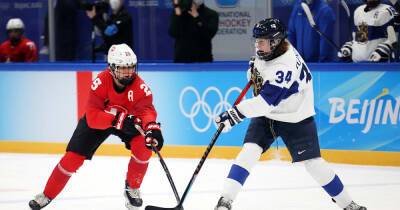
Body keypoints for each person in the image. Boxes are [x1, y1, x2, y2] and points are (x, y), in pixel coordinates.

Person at [214, 18, 367, 210]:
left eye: (261, 41)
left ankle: (349, 204)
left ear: (275, 41)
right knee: (249, 152)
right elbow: (261, 78)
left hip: (295, 116)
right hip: (269, 114)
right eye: (257, 40)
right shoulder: (271, 51)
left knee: (314, 164)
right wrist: (253, 72)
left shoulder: (283, 67)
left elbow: (263, 103)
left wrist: (234, 114)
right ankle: (225, 200)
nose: (257, 45)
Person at [28, 44, 164, 210]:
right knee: (72, 159)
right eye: (123, 68)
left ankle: (132, 188)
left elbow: (147, 110)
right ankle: (47, 194)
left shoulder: (140, 87)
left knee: (144, 147)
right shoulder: (100, 82)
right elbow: (92, 118)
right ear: (112, 68)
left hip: (127, 120)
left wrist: (152, 128)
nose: (128, 72)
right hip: (102, 120)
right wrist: (118, 120)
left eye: (131, 68)